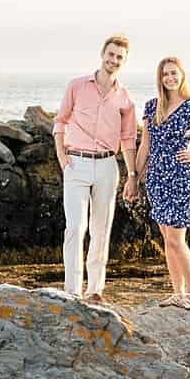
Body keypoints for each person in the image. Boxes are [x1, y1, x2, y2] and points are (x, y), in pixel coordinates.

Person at [124, 56, 190, 308]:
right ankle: (177, 292)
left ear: (182, 75)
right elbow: (145, 146)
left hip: (182, 178)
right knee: (166, 237)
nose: (170, 78)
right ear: (160, 78)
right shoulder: (152, 107)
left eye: (174, 73)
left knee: (176, 239)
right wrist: (135, 179)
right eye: (165, 74)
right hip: (157, 179)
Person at [52, 34, 138, 304]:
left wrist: (132, 176)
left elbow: (128, 139)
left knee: (101, 229)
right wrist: (62, 157)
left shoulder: (125, 98)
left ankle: (95, 290)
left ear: (124, 62)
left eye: (119, 57)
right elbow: (60, 121)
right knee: (75, 227)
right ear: (102, 54)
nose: (114, 60)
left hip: (106, 165)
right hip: (76, 162)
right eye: (111, 54)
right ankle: (73, 290)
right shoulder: (77, 86)